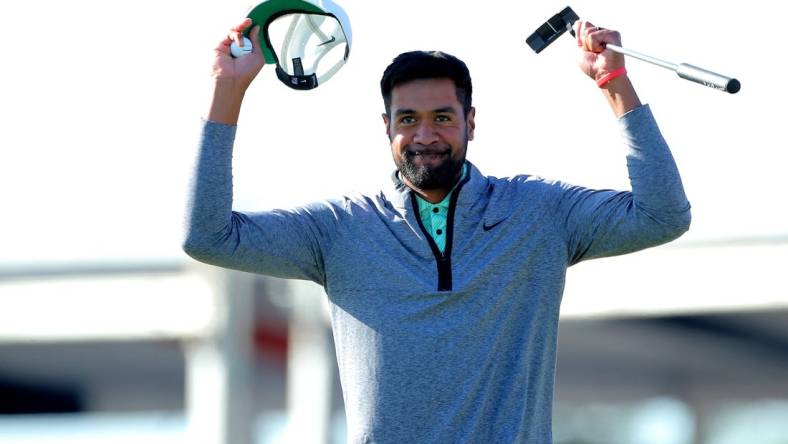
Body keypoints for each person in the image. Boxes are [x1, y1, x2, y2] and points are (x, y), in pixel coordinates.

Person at [184, 17, 691, 443]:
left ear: (472, 122)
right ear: (386, 127)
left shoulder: (539, 212)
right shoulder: (339, 230)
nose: (425, 135)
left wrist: (615, 84)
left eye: (443, 118)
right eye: (408, 119)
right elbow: (207, 237)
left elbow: (662, 215)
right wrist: (228, 90)